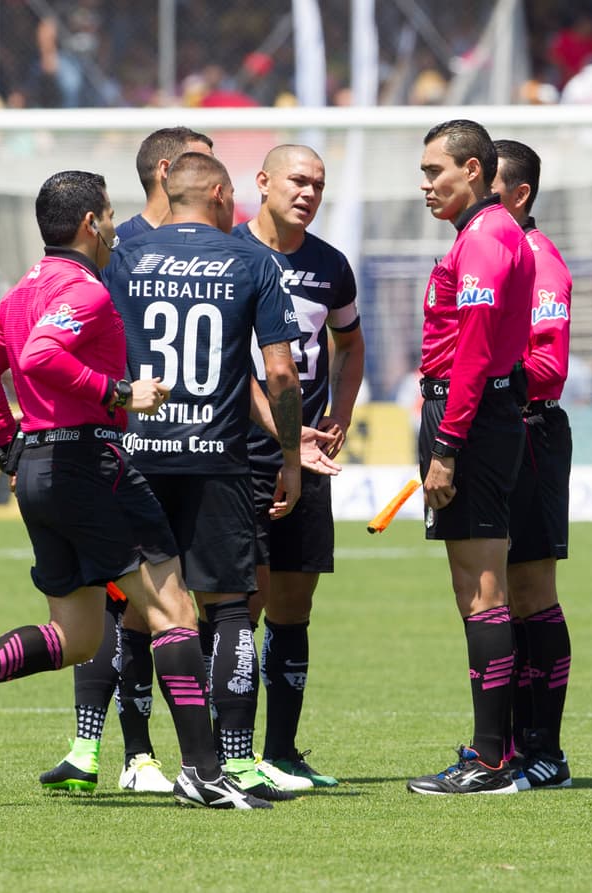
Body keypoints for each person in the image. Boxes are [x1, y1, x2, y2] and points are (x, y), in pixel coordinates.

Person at [0, 170, 271, 809]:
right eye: (111, 214)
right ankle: (203, 774)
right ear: (91, 223)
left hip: (42, 471)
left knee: (77, 637)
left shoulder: (23, 290)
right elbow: (41, 356)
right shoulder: (85, 290)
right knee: (175, 611)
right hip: (90, 464)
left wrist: (13, 448)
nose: (116, 225)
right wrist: (120, 393)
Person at [104, 151, 305, 801]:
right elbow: (280, 373)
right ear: (219, 195)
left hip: (138, 456)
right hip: (218, 460)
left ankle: (150, 756)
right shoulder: (252, 261)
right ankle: (235, 762)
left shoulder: (123, 257)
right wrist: (292, 457)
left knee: (149, 612)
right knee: (229, 608)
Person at [39, 126, 215, 796]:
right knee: (126, 607)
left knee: (196, 605)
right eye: (200, 161)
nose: (214, 175)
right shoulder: (114, 249)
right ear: (168, 169)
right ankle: (124, 753)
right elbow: (59, 344)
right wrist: (114, 398)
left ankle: (218, 754)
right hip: (127, 449)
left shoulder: (220, 247)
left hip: (203, 448)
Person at [406, 119, 535, 796]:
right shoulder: (490, 233)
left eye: (436, 171)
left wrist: (447, 446)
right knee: (483, 587)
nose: (426, 185)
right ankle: (499, 750)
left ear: (474, 170)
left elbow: (476, 352)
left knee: (480, 589)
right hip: (482, 416)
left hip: (471, 420)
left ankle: (490, 762)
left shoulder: (484, 239)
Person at [232, 145, 365, 790]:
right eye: (297, 180)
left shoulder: (330, 266)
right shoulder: (227, 255)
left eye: (318, 183)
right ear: (262, 182)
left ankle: (280, 754)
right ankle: (228, 755)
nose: (308, 193)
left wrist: (340, 413)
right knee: (240, 606)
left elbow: (351, 342)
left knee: (294, 605)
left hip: (308, 455)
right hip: (238, 454)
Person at [490, 139, 574, 790]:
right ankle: (515, 745)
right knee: (504, 595)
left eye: (488, 188)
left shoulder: (539, 259)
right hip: (496, 433)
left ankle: (545, 752)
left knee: (532, 593)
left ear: (519, 195)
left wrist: (485, 378)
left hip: (530, 431)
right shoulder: (494, 253)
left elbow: (548, 364)